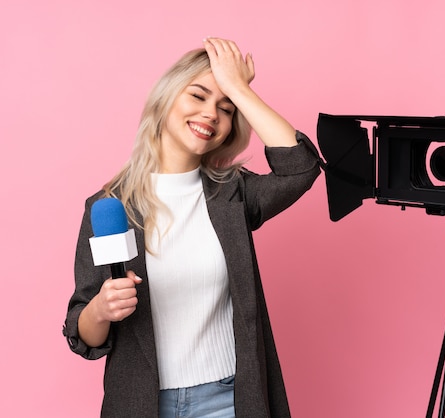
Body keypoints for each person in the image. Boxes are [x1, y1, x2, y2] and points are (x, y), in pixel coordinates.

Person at [63, 37, 322, 418]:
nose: (211, 114)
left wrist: (240, 88)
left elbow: (300, 167)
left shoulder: (232, 196)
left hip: (227, 401)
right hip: (143, 406)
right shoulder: (109, 208)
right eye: (198, 96)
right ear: (166, 98)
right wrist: (101, 310)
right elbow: (84, 334)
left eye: (226, 108)